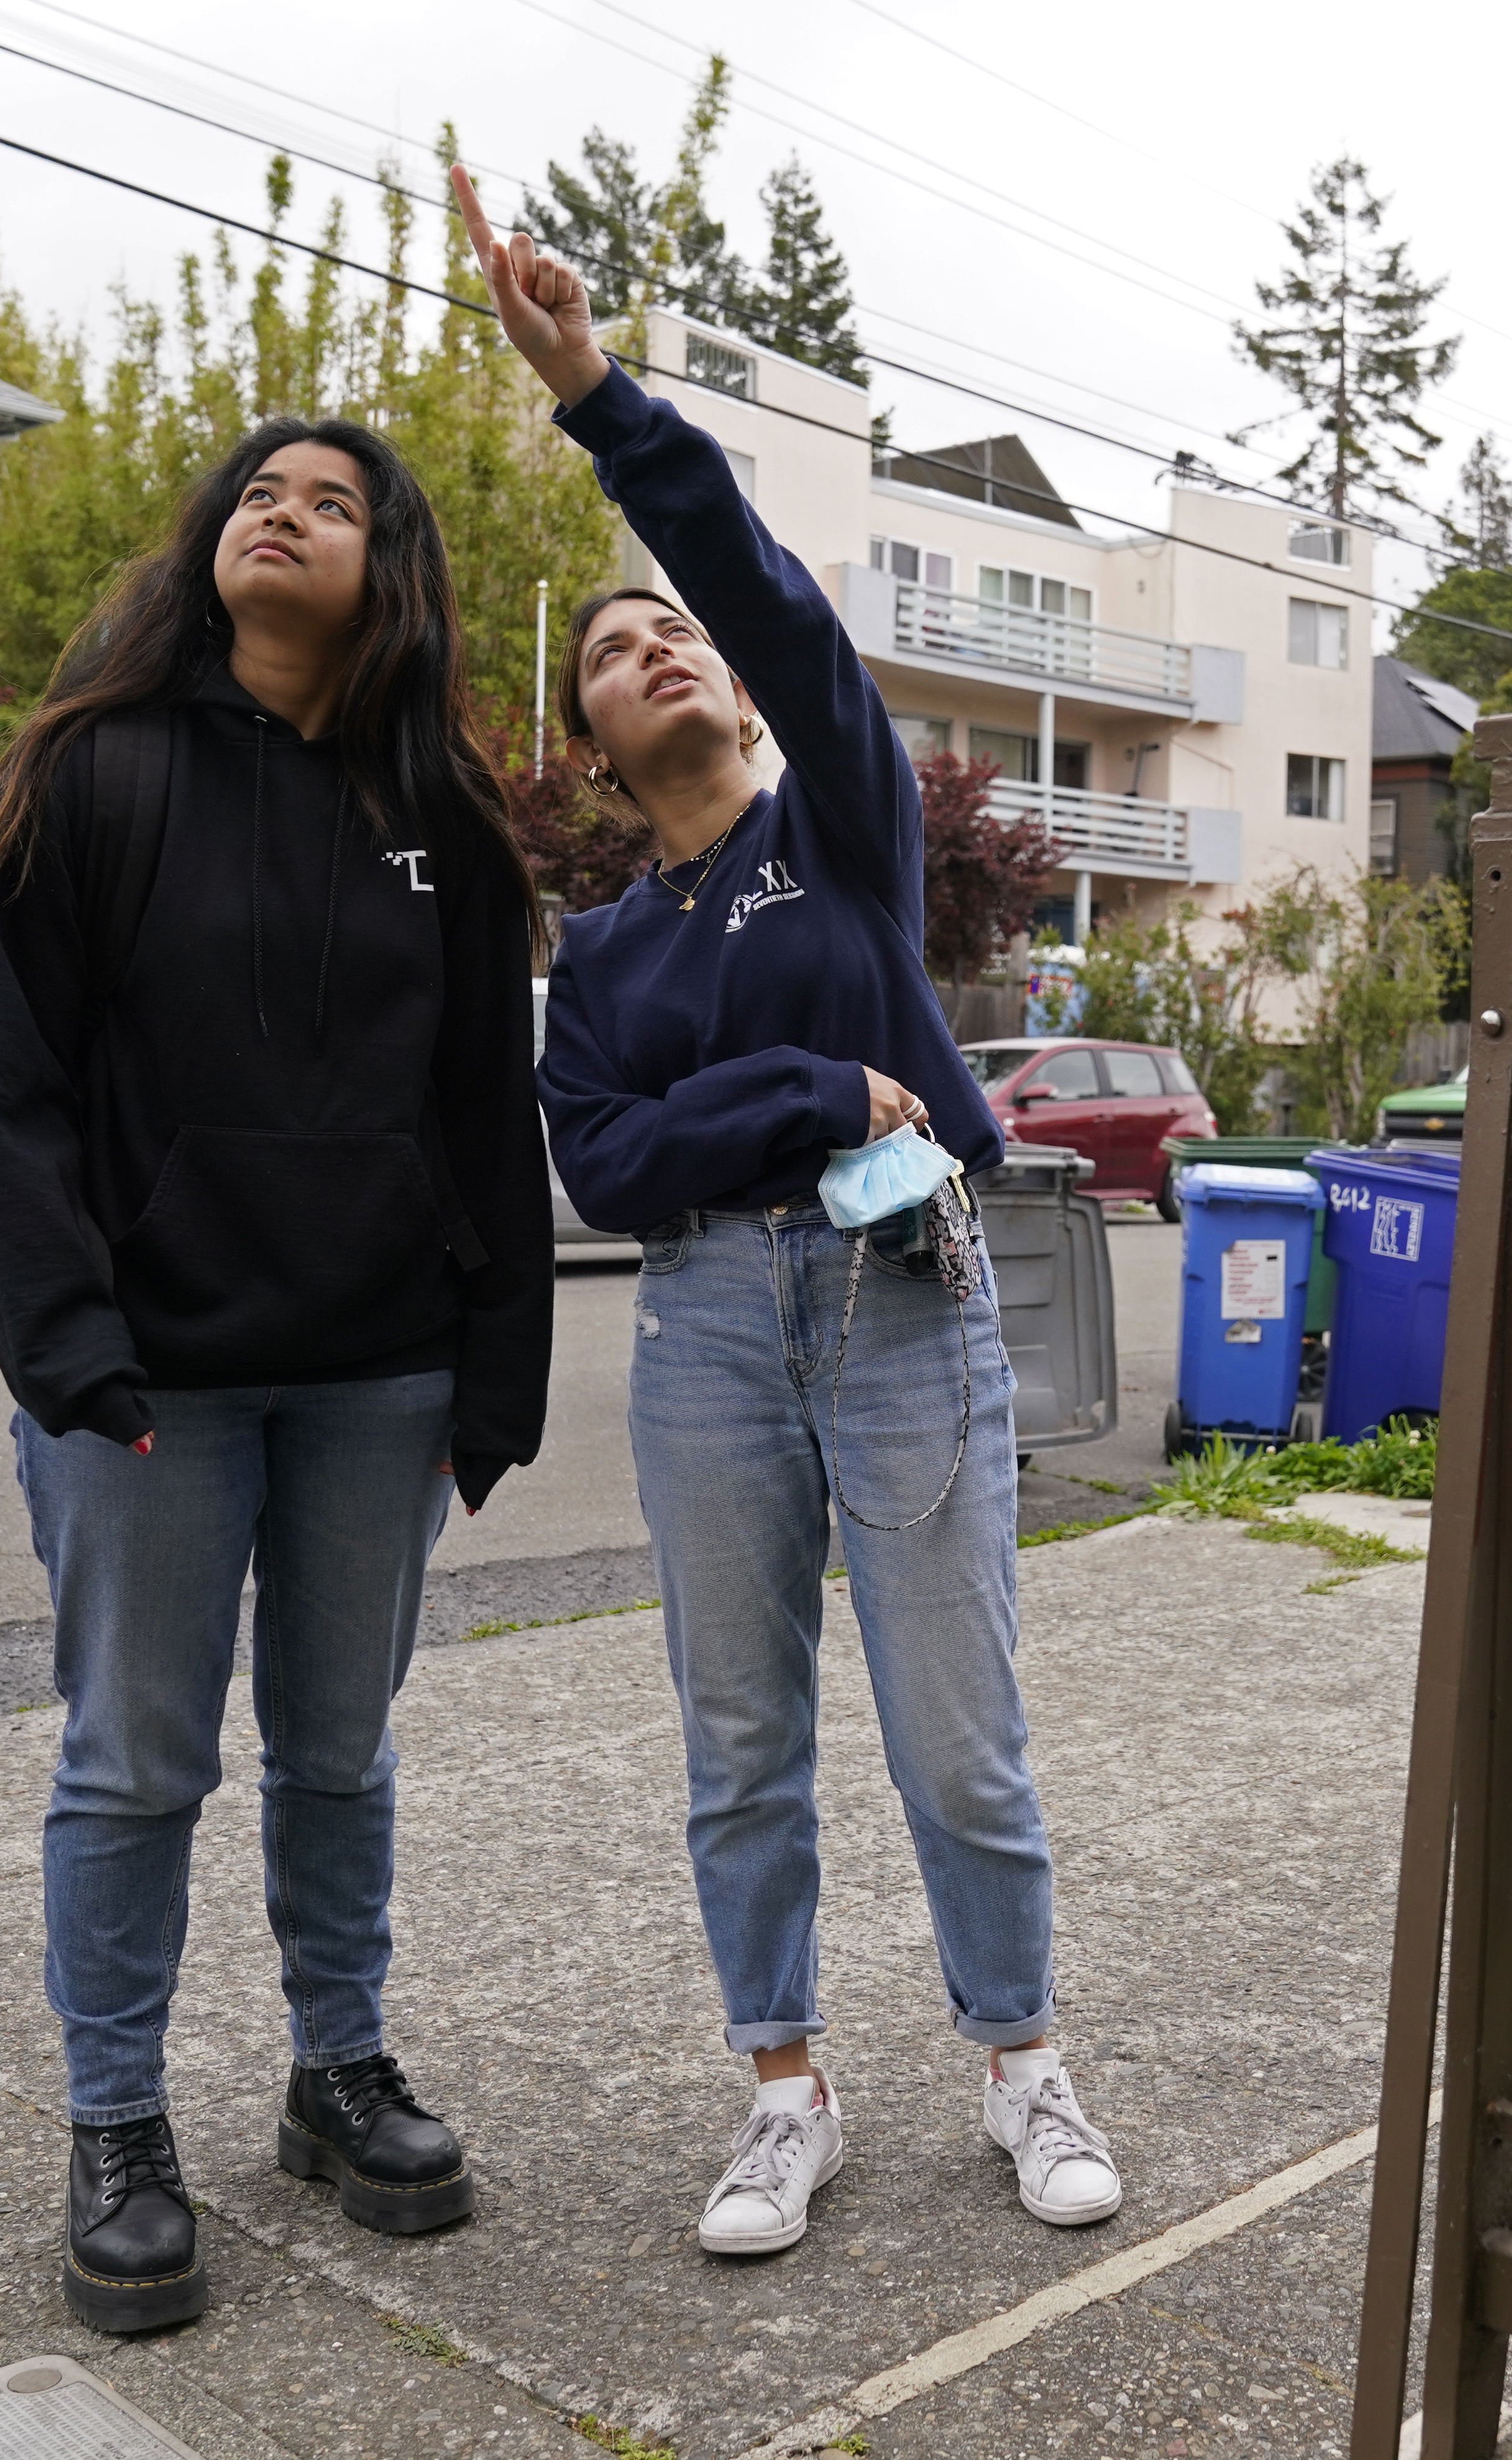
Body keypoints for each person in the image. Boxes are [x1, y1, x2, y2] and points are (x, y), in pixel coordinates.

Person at [452, 166, 1122, 2256]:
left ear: (739, 691)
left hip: (902, 1300)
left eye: (674, 630)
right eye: (609, 649)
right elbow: (605, 1162)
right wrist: (808, 1086)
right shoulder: (605, 948)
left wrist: (597, 395)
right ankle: (781, 2089)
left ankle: (1020, 2059)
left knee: (960, 1726)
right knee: (742, 1734)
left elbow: (765, 583)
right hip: (708, 1336)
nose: (650, 643)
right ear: (590, 740)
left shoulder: (838, 822)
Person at [0, 412, 554, 2333]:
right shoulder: (98, 770)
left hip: (376, 1376)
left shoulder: (442, 825)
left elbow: (483, 1113)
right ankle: (116, 2125)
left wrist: (494, 1379)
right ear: (217, 540)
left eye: (337, 504)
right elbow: (25, 1094)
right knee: (135, 1763)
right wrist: (65, 1346)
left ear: (391, 573)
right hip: (149, 1380)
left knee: (340, 1748)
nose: (288, 516)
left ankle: (337, 2069)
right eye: (264, 494)